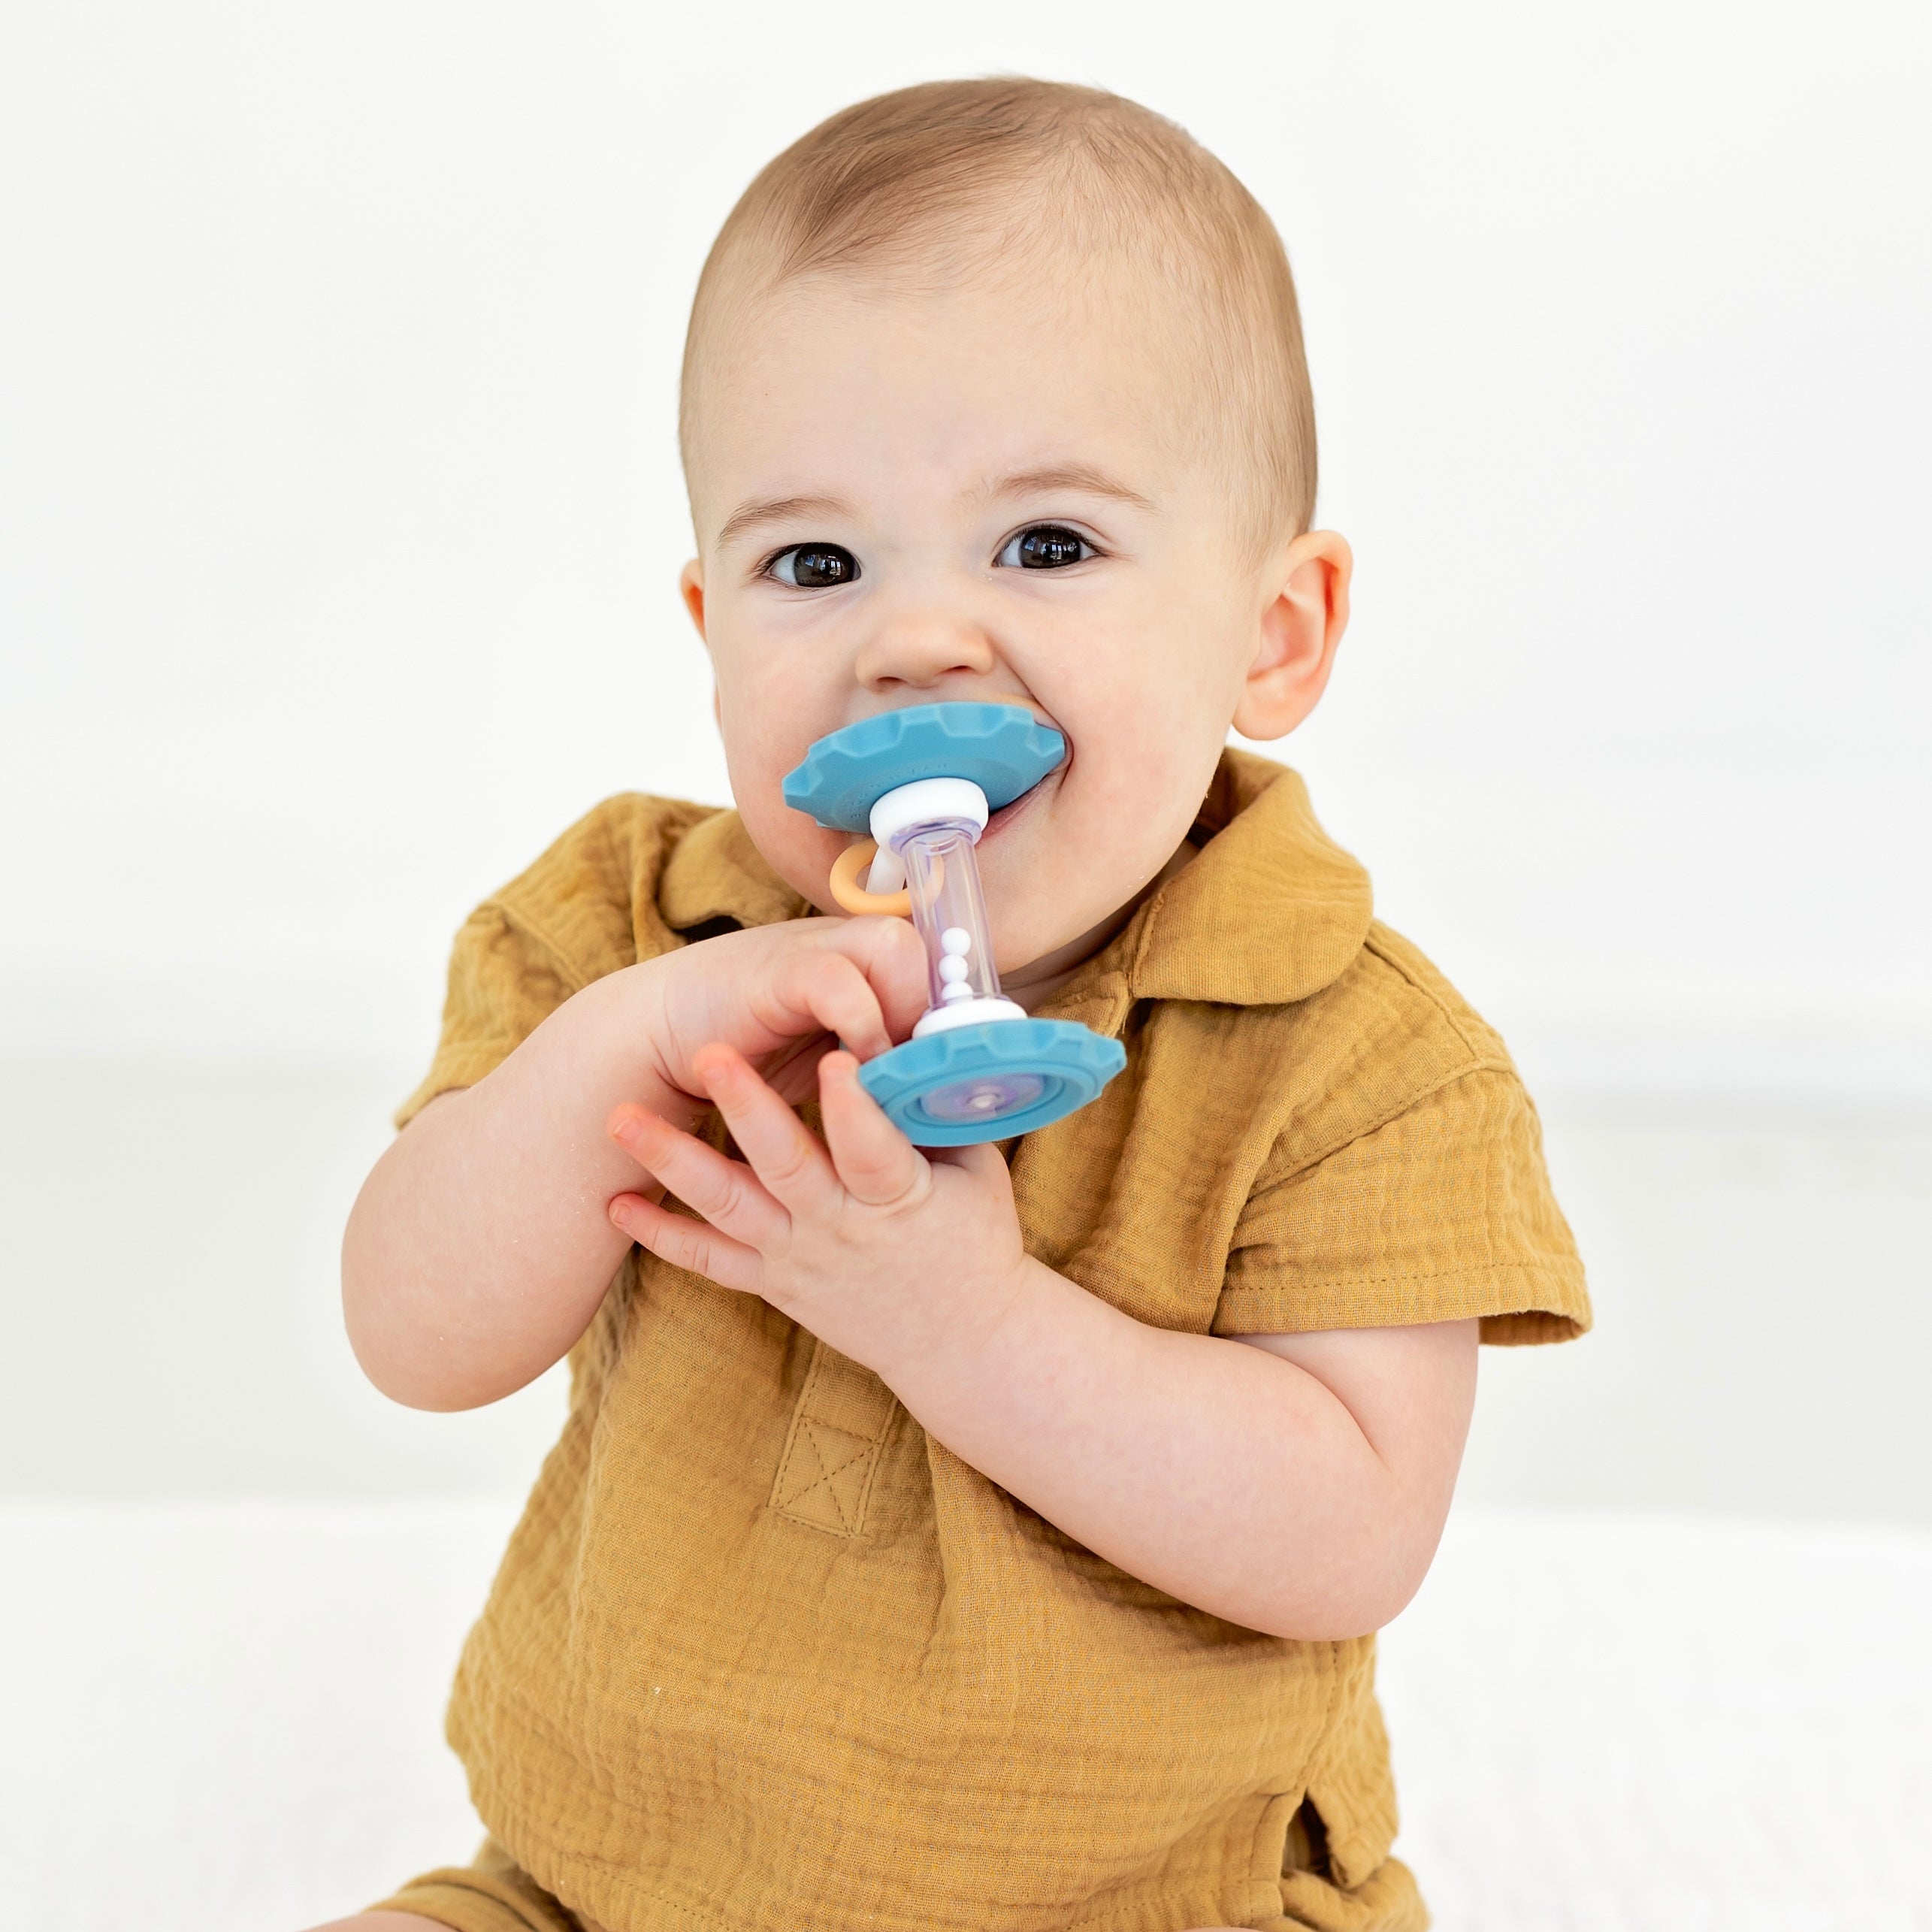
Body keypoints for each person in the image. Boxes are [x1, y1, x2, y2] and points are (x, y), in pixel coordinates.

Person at [315, 77, 1589, 1932]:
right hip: (605, 1886)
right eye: (812, 565)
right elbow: (409, 1334)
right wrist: (614, 1053)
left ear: (1272, 634)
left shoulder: (1352, 1053)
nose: (912, 640)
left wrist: (965, 1322)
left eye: (1047, 545)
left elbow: (1349, 1535)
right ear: (707, 629)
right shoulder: (621, 931)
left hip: (1154, 1899)